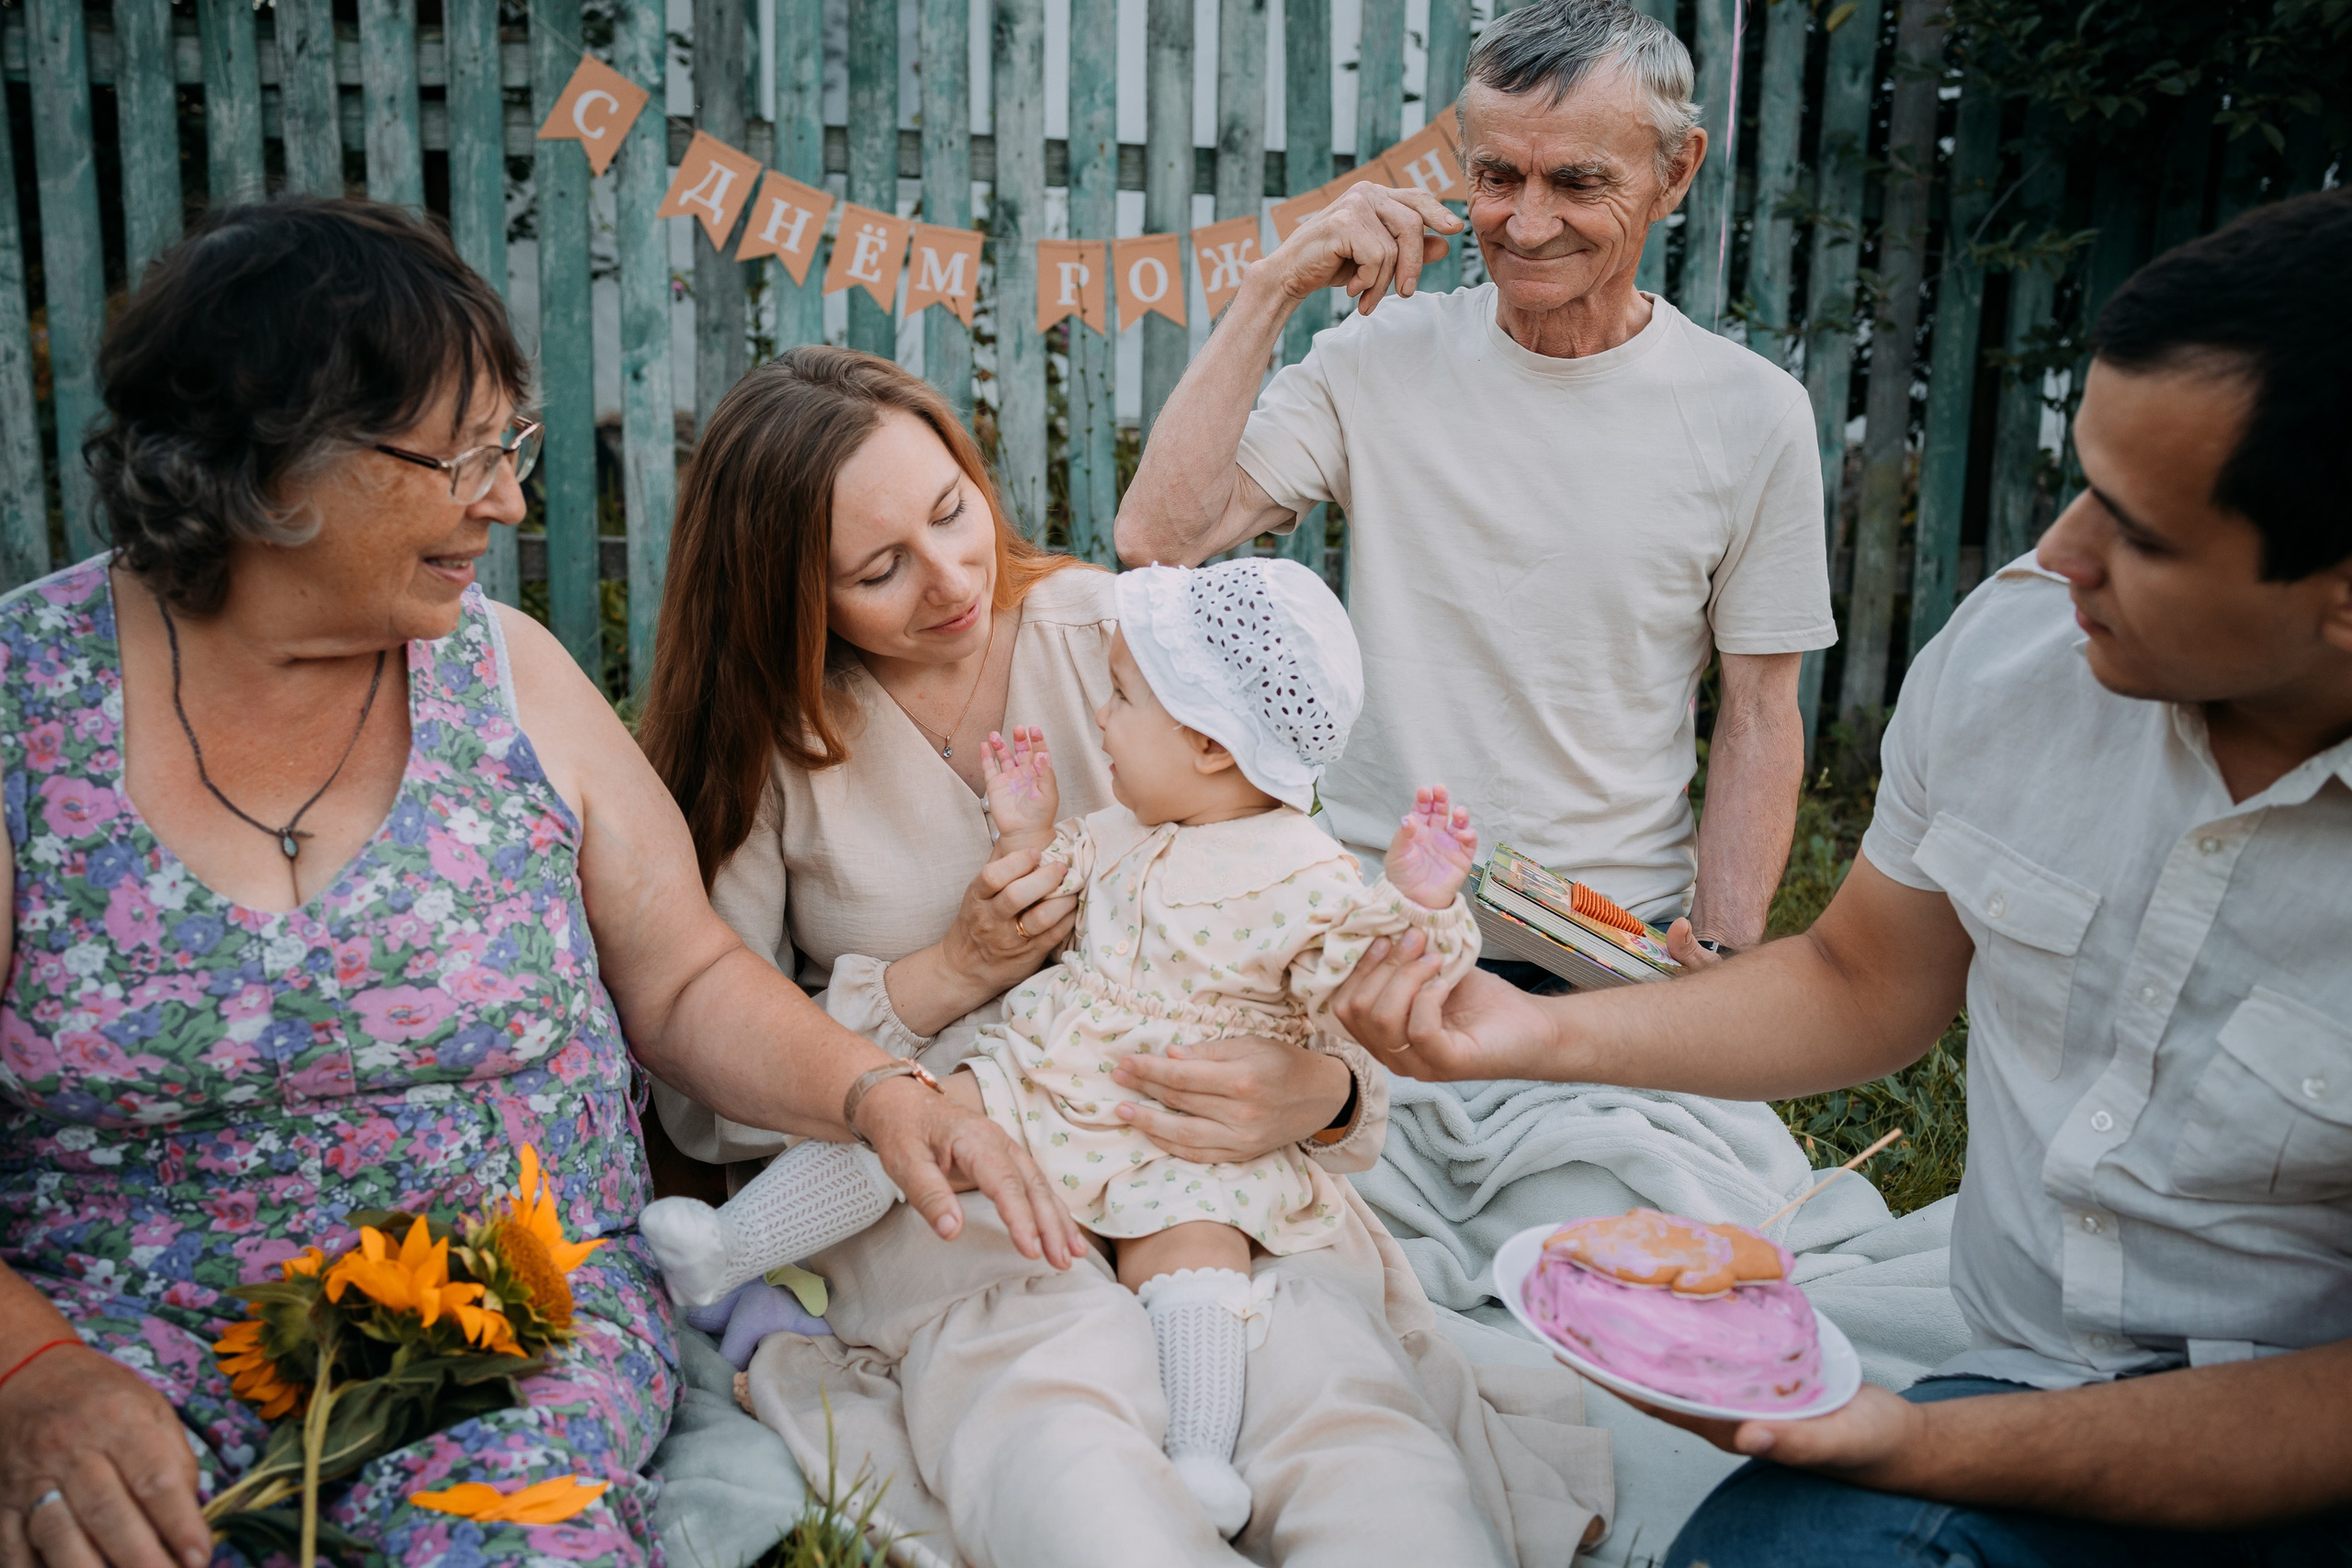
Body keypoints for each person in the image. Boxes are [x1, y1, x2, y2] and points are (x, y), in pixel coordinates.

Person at [0, 199, 1082, 1568]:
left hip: (502, 1337)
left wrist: (877, 1093)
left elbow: (687, 979)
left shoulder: (509, 675)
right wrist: (29, 1376)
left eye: (504, 447)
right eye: (462, 458)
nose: (508, 498)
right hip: (114, 1352)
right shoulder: (25, 713)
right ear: (274, 473)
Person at [1327, 188, 2352, 1562]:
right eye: (2081, 486)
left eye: (2145, 535)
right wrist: (1539, 1030)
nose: (2063, 560)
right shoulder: (2016, 661)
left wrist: (1911, 1441)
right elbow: (1862, 976)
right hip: (2017, 1369)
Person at [637, 351, 1611, 1567]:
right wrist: (947, 970)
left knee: (1334, 1404)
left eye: (953, 513)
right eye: (878, 569)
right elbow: (702, 1081)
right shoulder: (771, 746)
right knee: (1060, 1428)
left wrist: (1327, 1095)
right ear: (786, 593)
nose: (950, 580)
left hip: (1209, 1172)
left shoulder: (1134, 642)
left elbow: (1312, 916)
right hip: (961, 1177)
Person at [644, 557, 1486, 1538]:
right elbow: (1045, 883)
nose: (1100, 717)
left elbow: (1354, 981)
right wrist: (1024, 831)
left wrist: (1414, 905)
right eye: (879, 565)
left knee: (1194, 1256)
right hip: (1043, 1073)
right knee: (914, 1121)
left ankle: (1203, 1455)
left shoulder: (1302, 870)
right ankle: (727, 1250)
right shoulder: (1127, 826)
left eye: (1121, 700)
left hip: (1175, 1125)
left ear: (1211, 744)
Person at [1115, 0, 1830, 966]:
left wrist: (1720, 949)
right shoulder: (1376, 356)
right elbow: (1159, 539)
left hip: (1605, 939)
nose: (1527, 225)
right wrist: (1272, 287)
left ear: (1676, 172)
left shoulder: (1754, 415)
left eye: (1578, 182)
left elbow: (1757, 709)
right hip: (1367, 919)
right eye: (1497, 176)